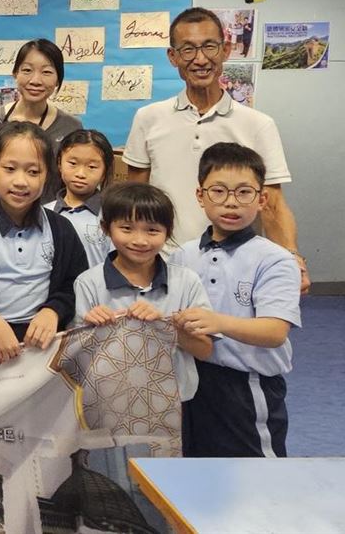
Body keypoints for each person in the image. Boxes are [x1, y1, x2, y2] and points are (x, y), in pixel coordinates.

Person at [123, 7, 309, 292]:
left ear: (226, 49)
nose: (200, 59)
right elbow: (136, 198)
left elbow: (272, 204)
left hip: (238, 268)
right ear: (173, 57)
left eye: (209, 46)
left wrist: (292, 257)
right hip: (165, 265)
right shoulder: (148, 118)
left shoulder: (258, 125)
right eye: (188, 49)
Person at [173, 143, 301, 458]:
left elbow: (275, 332)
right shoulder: (183, 255)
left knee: (255, 473)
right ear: (200, 195)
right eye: (218, 191)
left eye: (244, 192)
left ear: (262, 199)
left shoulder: (274, 259)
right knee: (192, 467)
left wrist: (217, 322)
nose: (231, 202)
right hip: (192, 381)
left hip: (247, 387)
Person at [0, 121, 88, 363]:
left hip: (44, 346)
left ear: (48, 175)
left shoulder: (61, 228)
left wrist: (53, 310)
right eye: (10, 169)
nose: (21, 181)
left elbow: (75, 283)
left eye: (33, 172)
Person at [72, 182, 213, 401]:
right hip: (109, 401)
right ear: (106, 228)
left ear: (168, 232)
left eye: (152, 230)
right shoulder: (88, 283)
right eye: (126, 228)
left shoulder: (187, 282)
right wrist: (92, 332)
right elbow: (77, 358)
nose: (140, 240)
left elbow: (204, 350)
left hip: (174, 402)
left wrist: (165, 327)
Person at [0, 40, 82, 207]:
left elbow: (77, 177)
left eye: (47, 72)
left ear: (57, 80)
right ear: (15, 74)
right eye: (27, 70)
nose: (36, 80)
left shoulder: (71, 126)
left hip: (49, 218)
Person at [45, 129, 116, 269]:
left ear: (104, 172)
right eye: (72, 163)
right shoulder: (44, 213)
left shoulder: (113, 216)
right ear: (59, 163)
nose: (81, 174)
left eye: (92, 167)